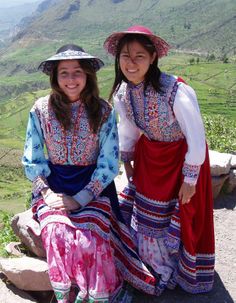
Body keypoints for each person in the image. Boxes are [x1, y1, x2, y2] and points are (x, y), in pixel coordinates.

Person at [103, 25, 215, 296]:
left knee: (183, 213)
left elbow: (196, 135)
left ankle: (180, 271)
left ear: (153, 58)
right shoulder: (123, 93)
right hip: (150, 158)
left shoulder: (174, 91)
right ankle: (156, 266)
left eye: (139, 55)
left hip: (180, 160)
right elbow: (128, 128)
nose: (131, 62)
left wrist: (190, 178)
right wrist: (128, 162)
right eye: (126, 55)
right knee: (151, 217)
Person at [22, 44, 123, 303]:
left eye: (77, 71)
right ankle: (64, 294)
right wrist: (46, 193)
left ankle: (95, 296)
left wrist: (81, 198)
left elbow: (109, 162)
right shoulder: (40, 109)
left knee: (89, 238)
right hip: (54, 185)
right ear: (55, 77)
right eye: (63, 72)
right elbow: (33, 156)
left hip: (93, 186)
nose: (70, 79)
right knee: (57, 231)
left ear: (87, 74)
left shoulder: (103, 111)